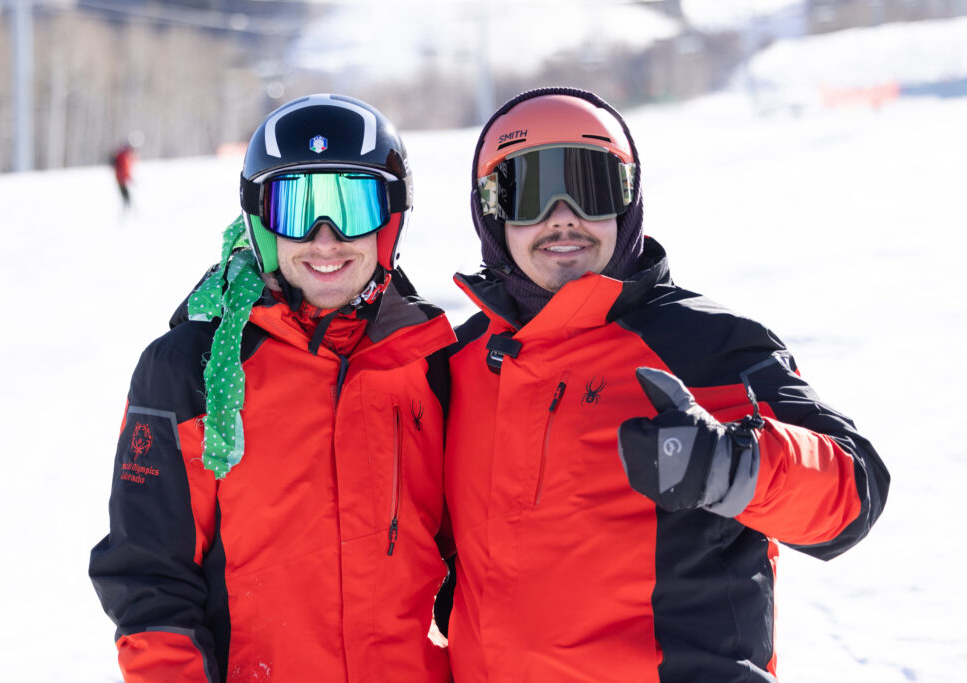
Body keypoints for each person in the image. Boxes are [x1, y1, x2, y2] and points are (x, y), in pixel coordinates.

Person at [440, 87, 890, 681]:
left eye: (591, 188)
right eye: (529, 194)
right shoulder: (458, 362)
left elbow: (853, 495)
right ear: (492, 210)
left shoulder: (705, 346)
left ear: (627, 203)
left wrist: (736, 467)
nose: (563, 217)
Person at [90, 94, 455, 682]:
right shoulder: (193, 369)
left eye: (352, 205)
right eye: (297, 207)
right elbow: (151, 581)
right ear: (261, 221)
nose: (326, 238)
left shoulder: (434, 364)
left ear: (389, 220)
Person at [111, 141, 136, 209]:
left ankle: (126, 210)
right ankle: (127, 211)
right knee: (126, 197)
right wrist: (129, 178)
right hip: (122, 178)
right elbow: (124, 169)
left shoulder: (122, 155)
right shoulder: (124, 156)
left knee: (126, 196)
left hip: (120, 178)